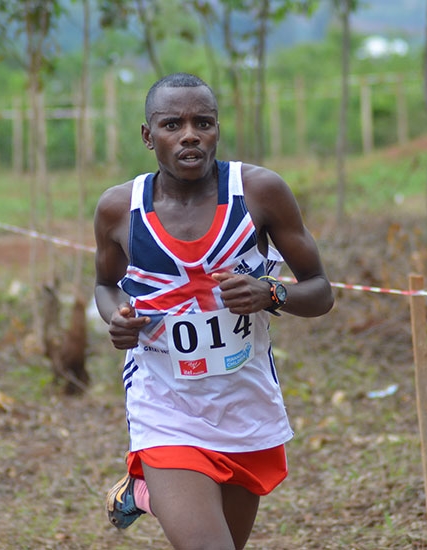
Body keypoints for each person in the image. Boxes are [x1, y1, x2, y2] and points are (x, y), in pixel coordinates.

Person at [94, 72, 334, 550]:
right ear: (148, 135)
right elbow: (105, 285)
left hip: (243, 402)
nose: (189, 134)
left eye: (202, 122)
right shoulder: (120, 208)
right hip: (165, 400)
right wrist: (118, 319)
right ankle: (156, 483)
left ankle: (144, 494)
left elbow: (321, 291)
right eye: (171, 124)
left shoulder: (260, 193)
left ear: (217, 129)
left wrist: (271, 294)